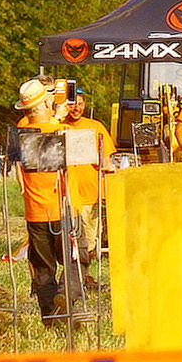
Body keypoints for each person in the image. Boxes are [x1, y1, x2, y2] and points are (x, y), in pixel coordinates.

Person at [13, 78, 80, 323]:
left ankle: (50, 316)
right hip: (61, 209)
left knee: (43, 268)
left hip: (34, 212)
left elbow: (18, 170)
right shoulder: (60, 132)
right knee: (77, 257)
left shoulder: (19, 133)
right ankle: (65, 293)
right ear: (44, 104)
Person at [62, 87, 115, 273]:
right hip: (65, 194)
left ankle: (82, 276)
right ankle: (74, 277)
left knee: (90, 240)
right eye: (72, 103)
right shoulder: (59, 126)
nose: (76, 107)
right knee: (70, 240)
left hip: (91, 194)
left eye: (80, 103)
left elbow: (107, 160)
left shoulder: (96, 127)